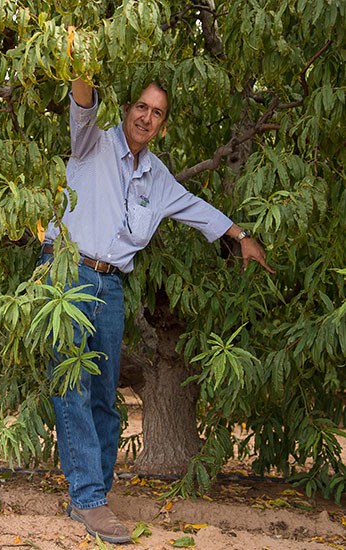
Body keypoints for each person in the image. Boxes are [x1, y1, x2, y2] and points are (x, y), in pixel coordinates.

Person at [39, 78, 275, 544]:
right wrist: (80, 54)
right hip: (65, 271)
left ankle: (94, 494)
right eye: (142, 107)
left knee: (105, 396)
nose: (147, 117)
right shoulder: (92, 143)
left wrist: (240, 236)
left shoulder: (157, 177)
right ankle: (89, 500)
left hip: (111, 283)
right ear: (127, 109)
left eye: (158, 113)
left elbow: (197, 208)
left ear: (163, 126)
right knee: (72, 386)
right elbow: (82, 101)